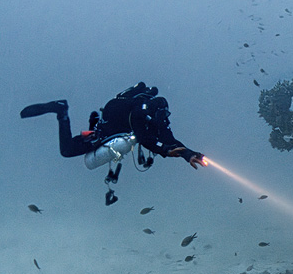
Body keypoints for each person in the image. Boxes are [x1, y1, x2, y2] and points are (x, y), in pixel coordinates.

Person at [21, 82, 205, 204]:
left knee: (76, 146)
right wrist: (165, 150)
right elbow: (145, 139)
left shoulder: (157, 116)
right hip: (106, 131)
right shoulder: (140, 114)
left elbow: (169, 139)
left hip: (110, 125)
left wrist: (189, 154)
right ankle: (62, 112)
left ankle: (66, 112)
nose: (161, 122)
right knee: (67, 150)